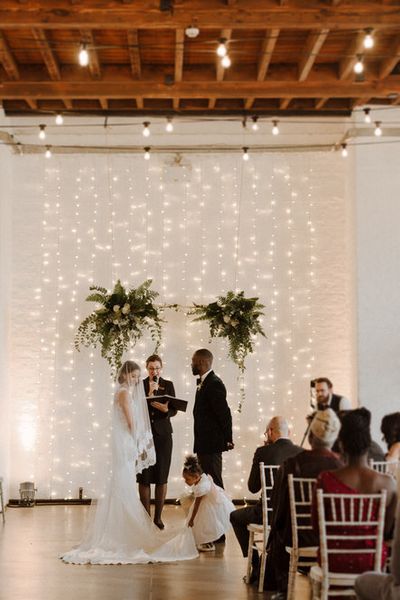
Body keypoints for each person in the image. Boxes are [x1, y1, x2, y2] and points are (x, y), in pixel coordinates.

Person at [61, 361, 198, 565]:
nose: (137, 379)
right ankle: (121, 529)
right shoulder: (125, 393)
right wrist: (137, 438)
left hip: (130, 438)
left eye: (137, 376)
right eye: (134, 376)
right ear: (125, 376)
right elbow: (131, 419)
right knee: (125, 481)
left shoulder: (128, 391)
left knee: (124, 481)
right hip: (126, 439)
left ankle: (122, 525)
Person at [264, 408, 343, 597]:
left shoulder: (291, 464)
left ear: (311, 437)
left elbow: (278, 508)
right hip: (334, 540)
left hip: (298, 537)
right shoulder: (342, 467)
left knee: (278, 529)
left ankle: (283, 589)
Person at [313, 408, 397, 576]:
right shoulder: (388, 483)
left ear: (341, 444)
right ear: (369, 444)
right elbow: (388, 532)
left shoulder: (325, 480)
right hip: (371, 563)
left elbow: (316, 528)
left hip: (332, 561)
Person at [230, 416, 302, 583]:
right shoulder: (301, 453)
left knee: (235, 516)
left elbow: (253, 487)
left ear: (270, 432)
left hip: (267, 514)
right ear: (289, 433)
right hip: (293, 516)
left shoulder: (263, 452)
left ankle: (256, 566)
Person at [137, 354, 177, 529]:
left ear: (162, 368)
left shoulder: (168, 385)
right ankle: (146, 518)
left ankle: (158, 518)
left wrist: (166, 409)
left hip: (163, 436)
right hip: (144, 435)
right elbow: (134, 407)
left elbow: (174, 409)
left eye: (157, 368)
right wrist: (149, 394)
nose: (154, 371)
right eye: (151, 368)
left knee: (161, 476)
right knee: (144, 477)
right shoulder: (140, 384)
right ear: (147, 368)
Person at [191, 348, 233, 490]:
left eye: (193, 361)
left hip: (211, 443)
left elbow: (224, 413)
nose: (191, 364)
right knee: (206, 483)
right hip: (204, 443)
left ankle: (223, 512)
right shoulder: (205, 382)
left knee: (215, 483)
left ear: (202, 362)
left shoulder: (214, 383)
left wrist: (228, 438)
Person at [181, 455, 235, 552]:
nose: (186, 482)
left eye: (187, 479)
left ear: (196, 477)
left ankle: (208, 541)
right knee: (206, 523)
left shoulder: (201, 487)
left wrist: (192, 519)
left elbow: (197, 505)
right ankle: (208, 541)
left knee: (206, 523)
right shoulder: (202, 478)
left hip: (211, 505)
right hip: (211, 502)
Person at [355, 498, 400, 600]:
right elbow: (386, 531)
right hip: (373, 557)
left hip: (332, 558)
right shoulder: (389, 485)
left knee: (362, 582)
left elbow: (397, 571)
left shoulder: (326, 483)